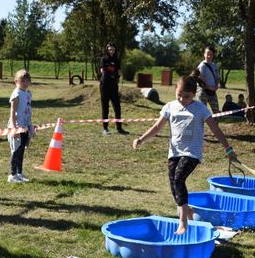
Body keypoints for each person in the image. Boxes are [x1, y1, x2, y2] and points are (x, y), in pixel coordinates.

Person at [133, 76, 237, 235]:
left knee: (178, 179)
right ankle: (188, 209)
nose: (182, 99)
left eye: (186, 96)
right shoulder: (169, 107)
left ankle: (183, 222)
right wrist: (141, 139)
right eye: (179, 95)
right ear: (175, 91)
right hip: (174, 153)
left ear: (194, 94)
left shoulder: (201, 109)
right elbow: (157, 127)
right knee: (174, 188)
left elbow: (215, 129)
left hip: (192, 153)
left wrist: (228, 148)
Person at [7, 69, 34, 183]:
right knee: (15, 150)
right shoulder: (16, 94)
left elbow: (28, 110)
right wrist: (14, 128)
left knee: (22, 150)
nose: (25, 83)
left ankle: (19, 172)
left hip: (25, 126)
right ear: (16, 81)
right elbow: (13, 112)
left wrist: (30, 126)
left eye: (27, 80)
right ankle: (12, 175)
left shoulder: (28, 94)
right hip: (17, 126)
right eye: (22, 80)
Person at [99, 43, 129, 136]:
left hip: (114, 86)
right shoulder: (103, 59)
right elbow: (102, 70)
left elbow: (118, 70)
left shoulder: (116, 60)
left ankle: (119, 128)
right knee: (105, 108)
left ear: (115, 50)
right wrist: (108, 73)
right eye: (109, 49)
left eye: (112, 49)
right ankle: (105, 128)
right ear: (107, 50)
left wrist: (121, 74)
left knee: (117, 107)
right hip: (104, 85)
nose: (111, 51)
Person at [196, 46, 220, 113]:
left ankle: (215, 123)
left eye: (211, 54)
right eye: (207, 54)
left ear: (213, 55)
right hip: (203, 91)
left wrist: (216, 86)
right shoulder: (202, 66)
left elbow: (217, 77)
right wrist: (209, 87)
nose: (209, 56)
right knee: (202, 112)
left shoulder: (214, 66)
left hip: (212, 92)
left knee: (216, 112)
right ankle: (200, 123)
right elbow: (200, 79)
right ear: (204, 54)